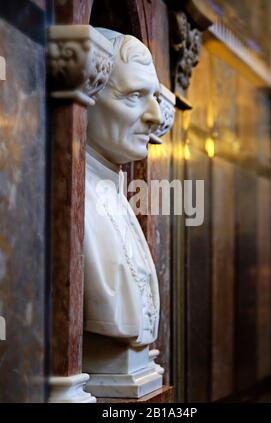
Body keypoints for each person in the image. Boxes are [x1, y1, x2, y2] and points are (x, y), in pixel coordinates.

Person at [84, 29, 163, 347]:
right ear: (89, 92)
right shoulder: (75, 207)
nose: (155, 117)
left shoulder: (118, 197)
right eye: (133, 96)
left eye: (155, 98)